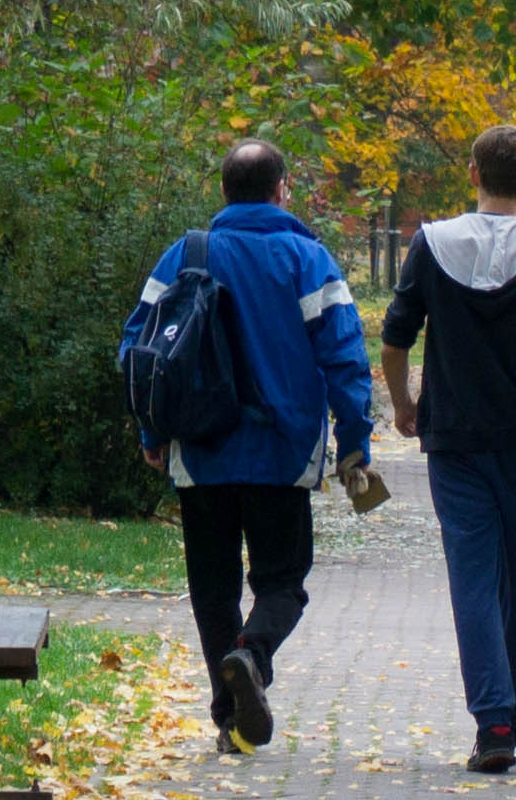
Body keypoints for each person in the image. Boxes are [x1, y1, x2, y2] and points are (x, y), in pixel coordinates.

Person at [121, 140, 376, 755]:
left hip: (201, 451)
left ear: (223, 190)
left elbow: (140, 349)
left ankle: (230, 721)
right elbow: (345, 358)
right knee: (283, 582)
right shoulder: (307, 260)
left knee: (213, 591)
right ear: (282, 189)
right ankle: (253, 656)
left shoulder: (186, 255)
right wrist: (354, 444)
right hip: (281, 455)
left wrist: (154, 432)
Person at [380, 122, 516, 774]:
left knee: (472, 576)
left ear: (473, 174)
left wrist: (405, 405)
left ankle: (493, 720)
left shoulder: (430, 244)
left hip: (455, 438)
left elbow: (395, 339)